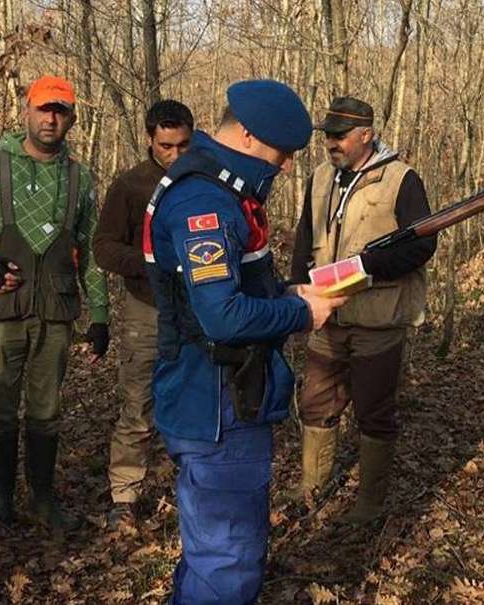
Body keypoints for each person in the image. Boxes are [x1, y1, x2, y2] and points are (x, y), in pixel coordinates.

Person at [144, 79, 347, 604]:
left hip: (224, 395)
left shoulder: (221, 190)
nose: (284, 168)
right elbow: (222, 317)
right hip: (215, 402)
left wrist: (290, 292)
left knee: (210, 556)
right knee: (226, 561)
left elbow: (227, 291)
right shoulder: (203, 201)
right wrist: (301, 313)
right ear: (251, 138)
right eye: (282, 155)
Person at [0, 75, 109, 536]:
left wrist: (99, 314)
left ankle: (42, 500)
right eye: (43, 109)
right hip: (0, 312)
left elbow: (91, 249)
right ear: (27, 111)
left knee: (47, 412)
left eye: (60, 111)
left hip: (56, 312)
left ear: (72, 118)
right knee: (0, 410)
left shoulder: (81, 177)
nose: (51, 118)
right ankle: (0, 502)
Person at [289, 96, 437, 524]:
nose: (330, 142)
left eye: (339, 135)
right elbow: (305, 237)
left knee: (374, 413)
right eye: (328, 135)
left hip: (377, 319)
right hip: (325, 318)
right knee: (316, 404)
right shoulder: (320, 177)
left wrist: (367, 266)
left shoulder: (401, 179)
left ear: (366, 135)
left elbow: (423, 244)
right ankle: (312, 492)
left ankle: (370, 506)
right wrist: (299, 285)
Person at [93, 99, 193, 529]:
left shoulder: (204, 178)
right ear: (150, 139)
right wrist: (149, 262)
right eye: (166, 146)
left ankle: (192, 485)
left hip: (197, 309)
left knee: (193, 398)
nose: (175, 155)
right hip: (146, 308)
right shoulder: (130, 186)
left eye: (183, 145)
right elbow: (103, 247)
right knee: (137, 405)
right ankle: (125, 496)